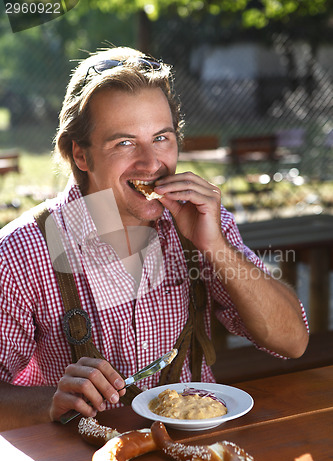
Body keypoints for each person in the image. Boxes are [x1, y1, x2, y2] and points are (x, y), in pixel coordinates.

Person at [0, 46, 308, 430]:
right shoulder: (22, 251)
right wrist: (51, 400)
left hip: (194, 456)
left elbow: (292, 341)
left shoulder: (201, 223)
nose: (150, 163)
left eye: (162, 137)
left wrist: (215, 248)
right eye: (124, 143)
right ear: (80, 154)